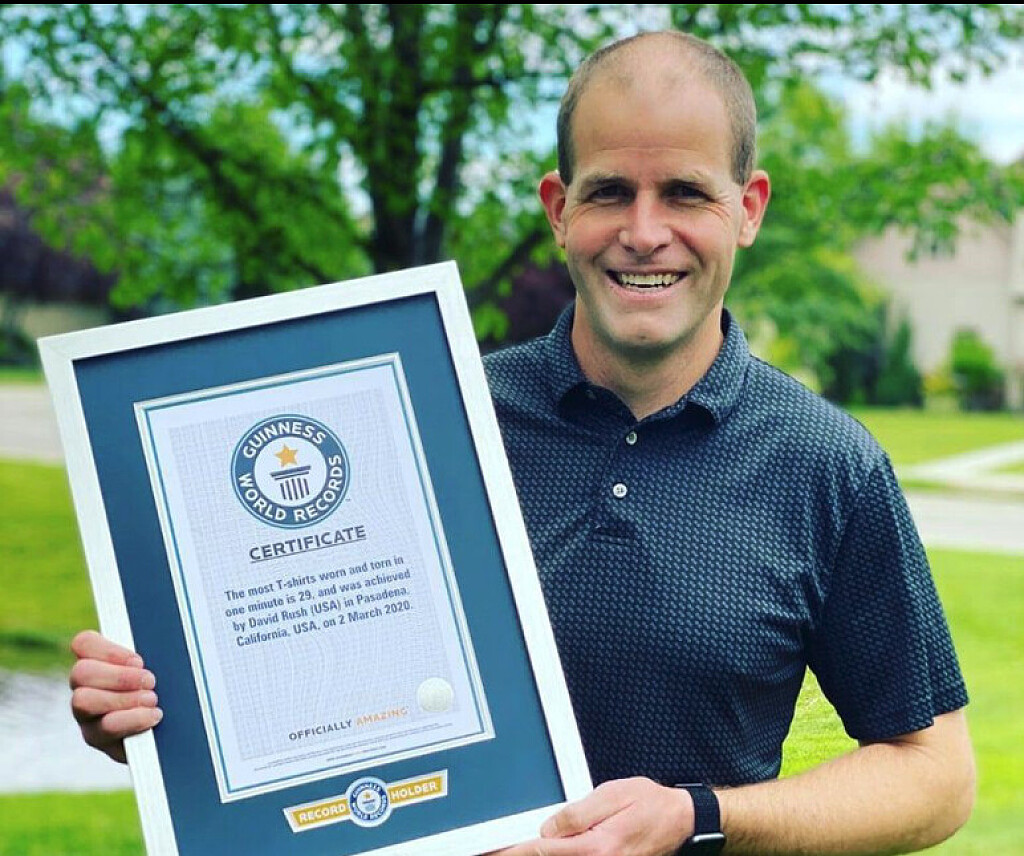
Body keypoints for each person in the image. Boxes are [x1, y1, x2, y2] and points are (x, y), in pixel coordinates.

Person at [70, 30, 974, 856]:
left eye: (686, 193)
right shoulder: (422, 419)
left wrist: (700, 817)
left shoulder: (827, 464)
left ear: (749, 208)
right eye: (609, 192)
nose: (644, 232)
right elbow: (307, 683)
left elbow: (936, 775)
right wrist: (156, 721)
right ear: (557, 208)